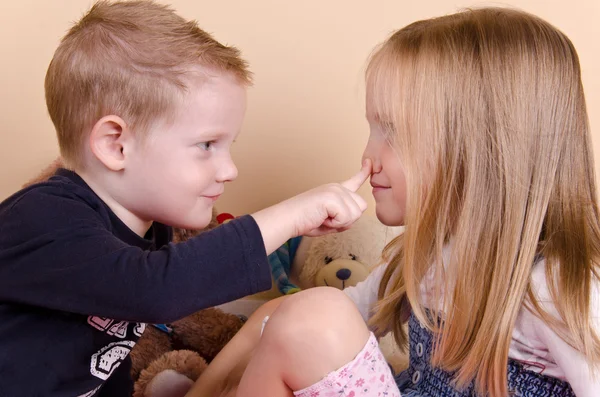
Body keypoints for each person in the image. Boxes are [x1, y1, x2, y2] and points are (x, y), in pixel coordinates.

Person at [187, 7, 600, 397]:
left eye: (393, 131)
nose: (369, 156)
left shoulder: (562, 290)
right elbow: (283, 323)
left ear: (484, 152)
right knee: (307, 314)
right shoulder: (428, 256)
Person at [0, 1, 372, 396]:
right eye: (207, 144)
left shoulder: (146, 227)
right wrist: (289, 216)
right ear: (116, 145)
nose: (229, 169)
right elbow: (157, 290)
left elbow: (106, 364)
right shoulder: (44, 218)